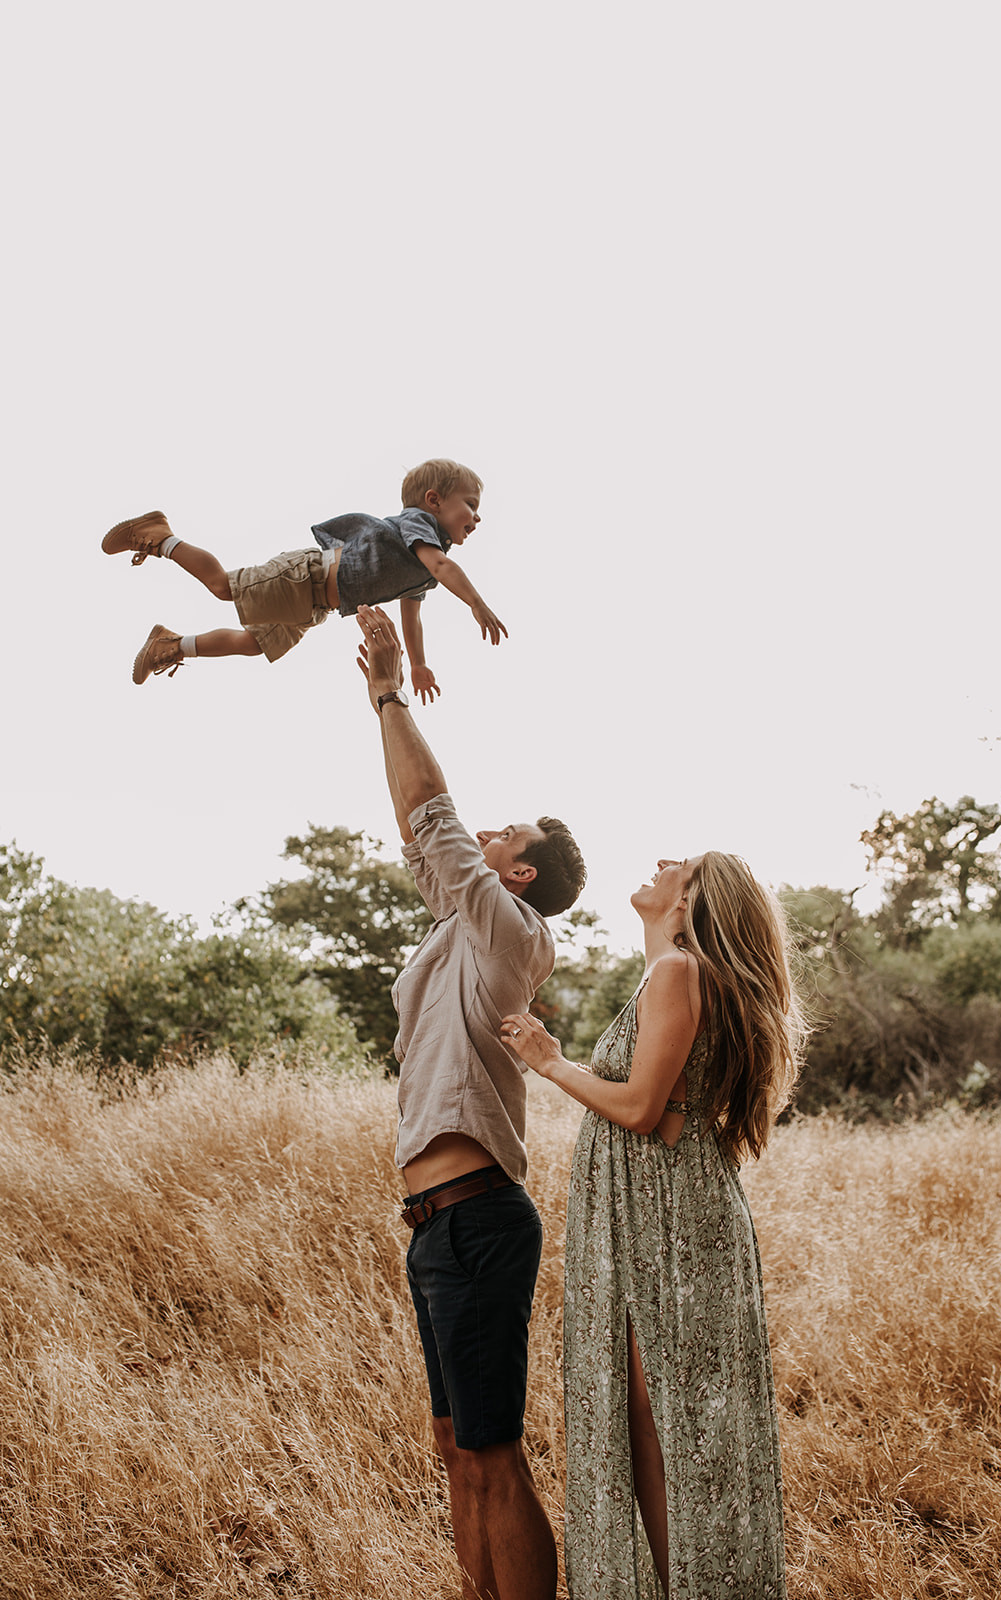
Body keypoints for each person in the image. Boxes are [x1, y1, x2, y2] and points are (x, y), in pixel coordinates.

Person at [354, 603, 587, 1600]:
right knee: (453, 1447)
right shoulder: (457, 930)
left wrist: (390, 691)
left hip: (484, 1222)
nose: (485, 832)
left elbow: (435, 818)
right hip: (430, 1226)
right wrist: (377, 703)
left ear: (518, 872)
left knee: (496, 1457)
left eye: (507, 834)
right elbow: (423, 830)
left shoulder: (515, 937)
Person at [501, 852, 808, 1598]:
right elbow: (661, 1101)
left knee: (660, 1423)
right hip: (663, 1205)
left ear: (694, 899)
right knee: (670, 1422)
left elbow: (640, 1108)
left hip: (665, 1215)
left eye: (683, 863)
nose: (662, 860)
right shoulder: (672, 973)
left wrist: (550, 1061)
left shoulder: (678, 973)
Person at [100, 457, 504, 696]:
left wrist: (418, 663)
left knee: (255, 645)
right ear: (434, 501)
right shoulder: (420, 528)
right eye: (470, 504)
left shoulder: (425, 561)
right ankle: (160, 536)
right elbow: (443, 567)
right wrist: (477, 602)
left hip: (313, 606)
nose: (477, 516)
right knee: (224, 587)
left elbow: (411, 613)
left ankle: (170, 645)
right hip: (304, 578)